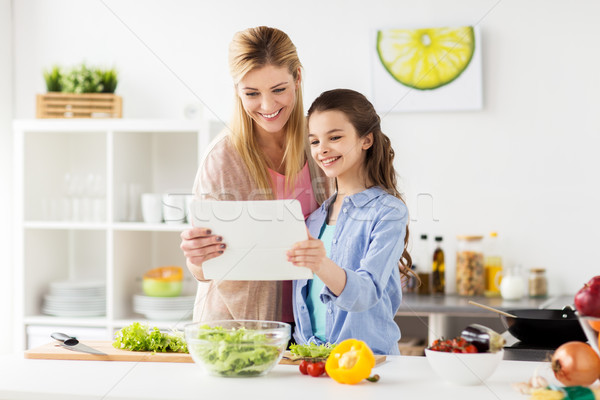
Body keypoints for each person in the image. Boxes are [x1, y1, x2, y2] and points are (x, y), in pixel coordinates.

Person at [180, 26, 333, 323]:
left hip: (316, 324)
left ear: (298, 77)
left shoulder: (322, 143)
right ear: (237, 90)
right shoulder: (222, 159)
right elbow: (204, 272)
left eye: (278, 90)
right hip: (240, 329)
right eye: (252, 93)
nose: (267, 106)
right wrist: (196, 258)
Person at [286, 89, 412, 355]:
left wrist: (320, 263)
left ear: (366, 140)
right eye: (315, 141)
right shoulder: (314, 218)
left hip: (368, 362)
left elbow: (366, 292)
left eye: (335, 137)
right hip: (312, 360)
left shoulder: (388, 212)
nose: (323, 150)